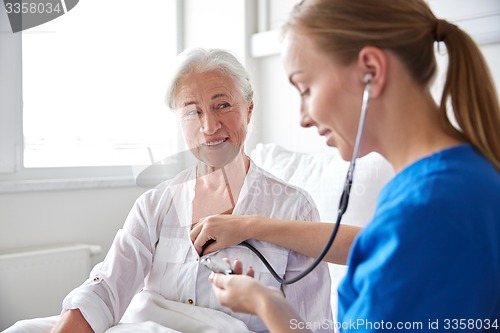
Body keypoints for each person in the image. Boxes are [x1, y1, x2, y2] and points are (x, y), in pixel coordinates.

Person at [193, 0, 500, 331]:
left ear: (370, 70)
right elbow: (374, 243)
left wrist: (266, 305)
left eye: (306, 88)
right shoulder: (463, 178)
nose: (303, 117)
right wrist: (251, 227)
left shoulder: (427, 211)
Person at [5, 48, 334, 333]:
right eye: (192, 110)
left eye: (222, 106)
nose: (208, 126)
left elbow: (311, 325)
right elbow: (106, 288)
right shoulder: (155, 204)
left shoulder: (293, 209)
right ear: (179, 120)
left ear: (248, 109)